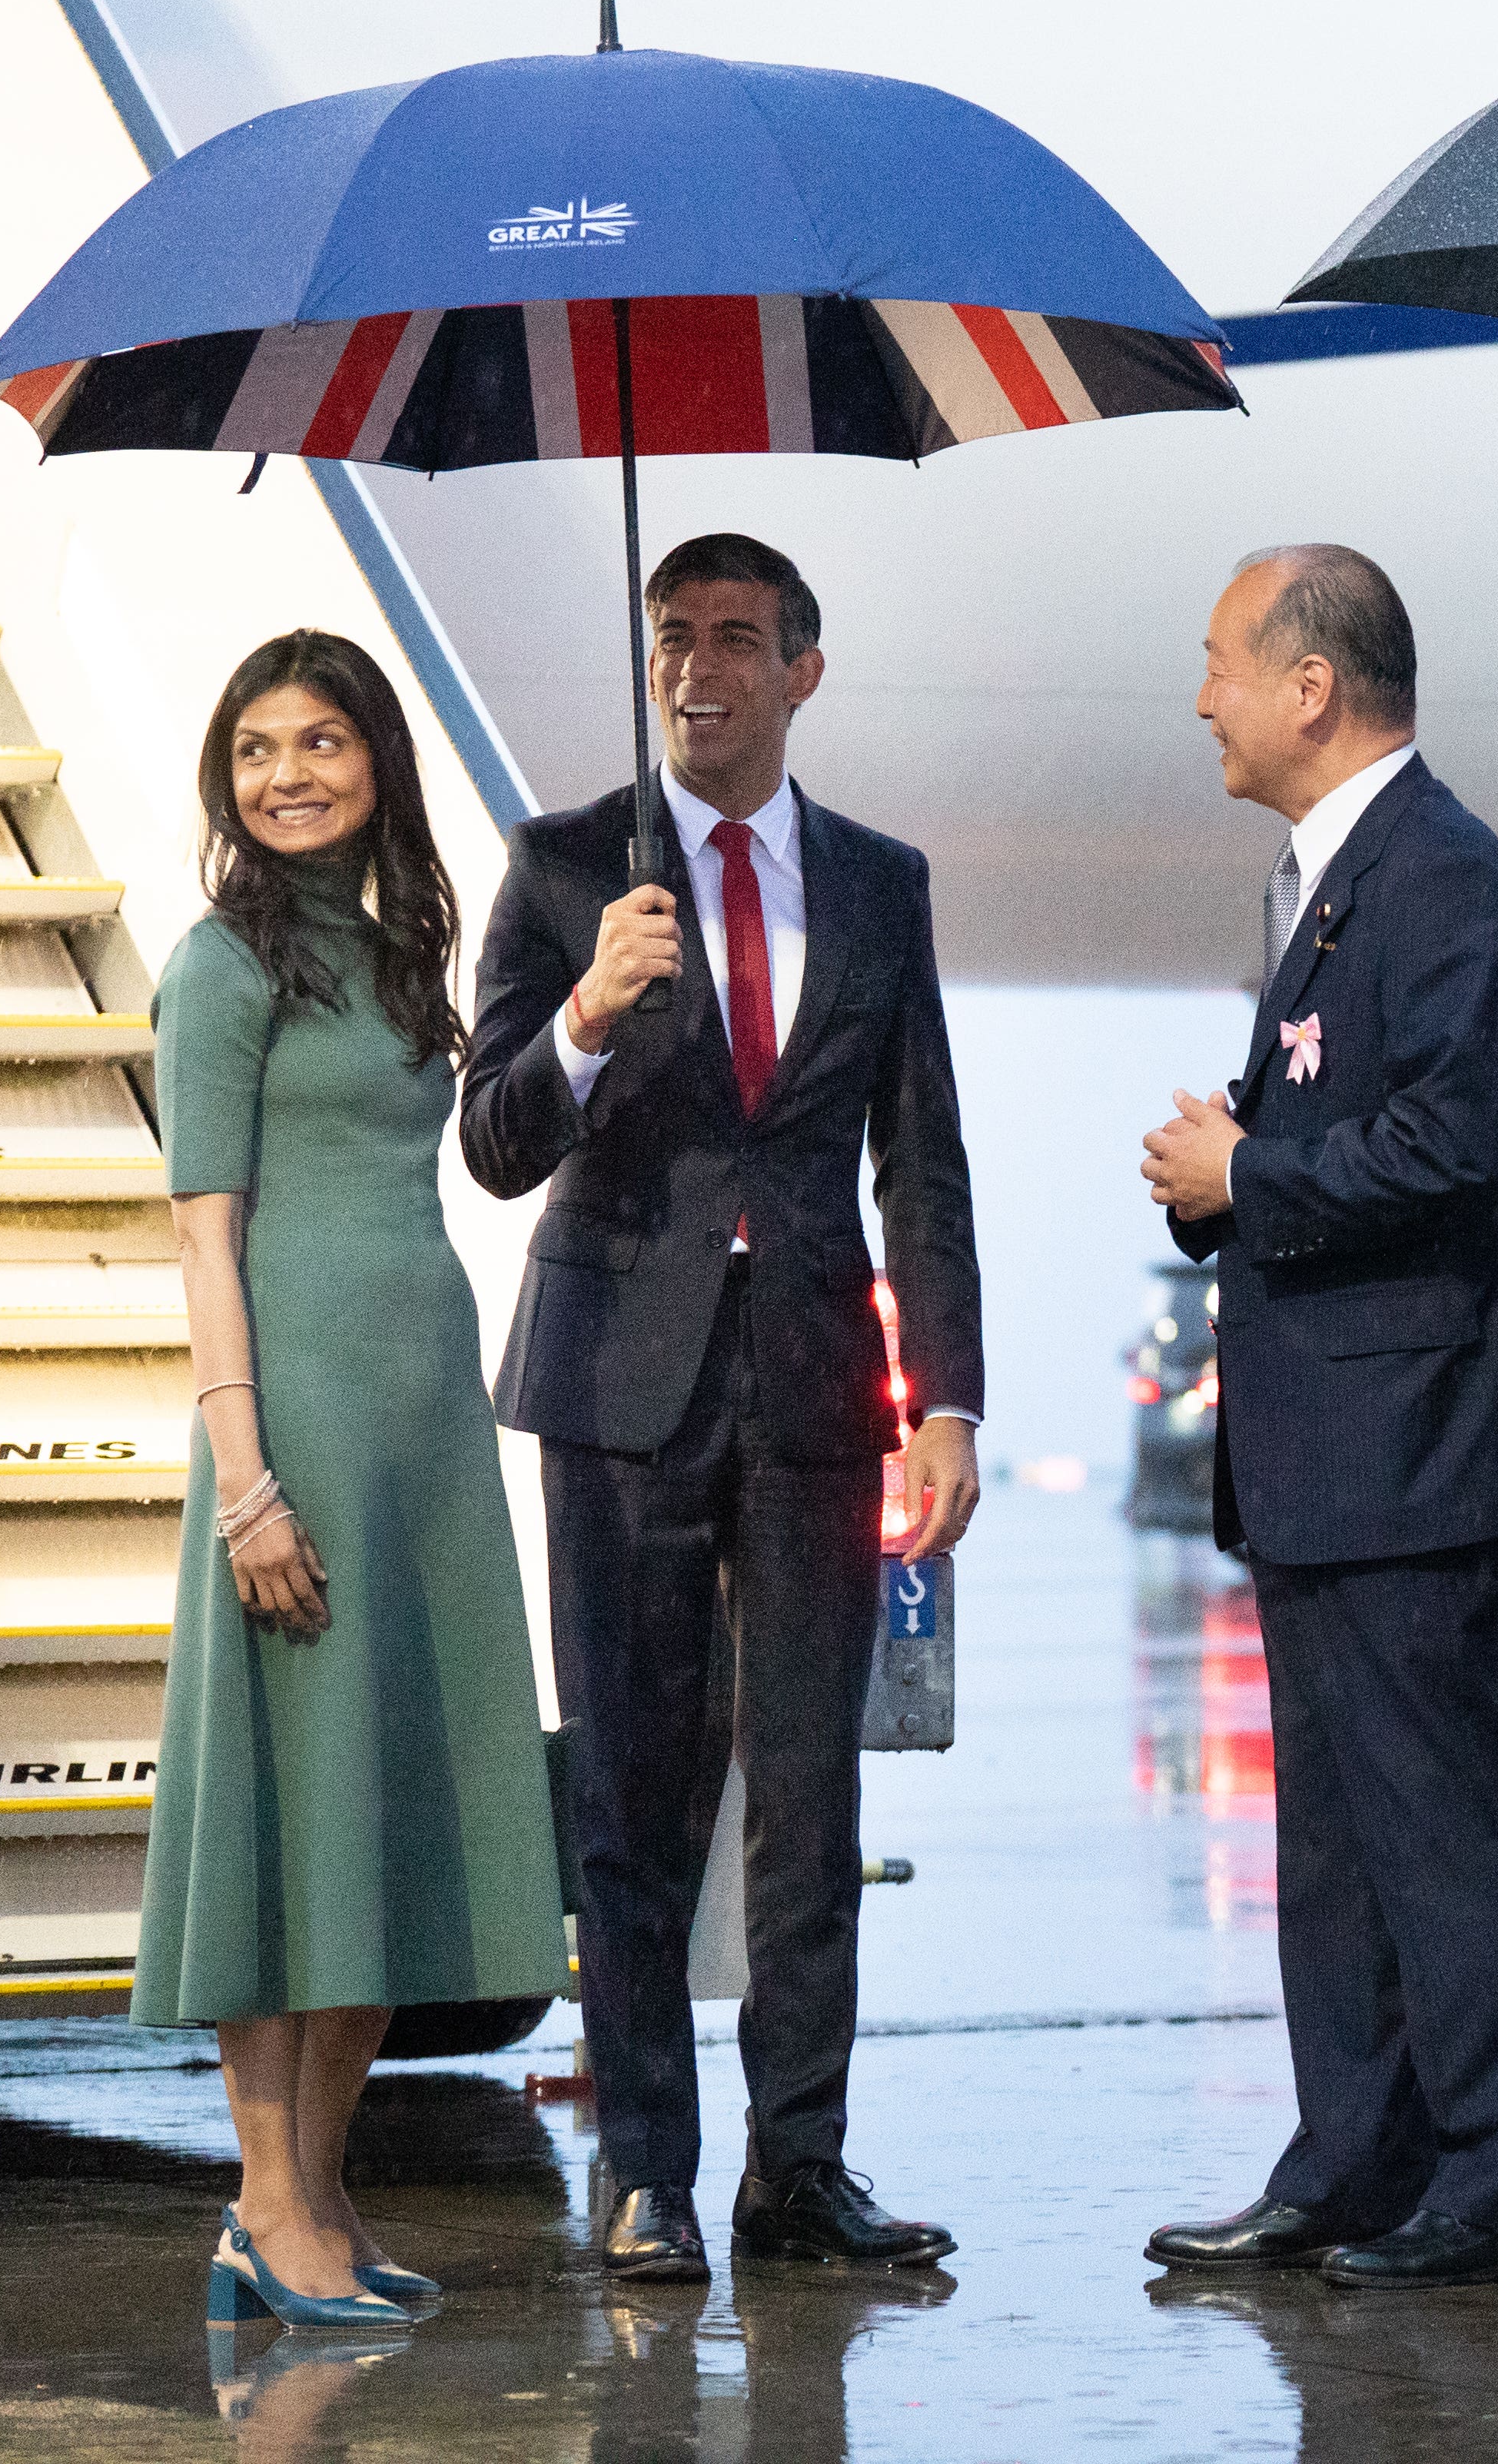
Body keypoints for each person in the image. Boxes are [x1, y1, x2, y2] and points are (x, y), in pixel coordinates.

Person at [460, 533, 981, 2284]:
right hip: (619, 1385)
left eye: (736, 640)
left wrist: (953, 1401)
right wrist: (593, 1011)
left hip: (821, 1385)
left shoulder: (880, 881)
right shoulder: (557, 873)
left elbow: (924, 1157)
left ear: (800, 671)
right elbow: (498, 1138)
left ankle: (799, 2169)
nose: (697, 668)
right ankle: (650, 2177)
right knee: (629, 1792)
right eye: (672, 637)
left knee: (811, 1799)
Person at [1138, 543, 1498, 2290]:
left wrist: (1249, 1169)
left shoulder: (1439, 875)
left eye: (1219, 662)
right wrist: (1222, 1185)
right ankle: (1355, 2158)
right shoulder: (1332, 878)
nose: (1202, 701)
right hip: (1325, 1454)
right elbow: (1352, 1131)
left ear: (1311, 685)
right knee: (1331, 1843)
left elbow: (1453, 1144)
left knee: (1448, 1830)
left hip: (1410, 1450)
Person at [138, 631, 569, 2331]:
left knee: (378, 1814)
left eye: (322, 740)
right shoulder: (222, 964)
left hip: (422, 1432)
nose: (288, 773)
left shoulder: (400, 954)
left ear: (378, 761)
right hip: (298, 1420)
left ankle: (316, 2197)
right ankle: (262, 2201)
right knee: (285, 1819)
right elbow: (204, 1232)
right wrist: (245, 1477)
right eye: (256, 747)